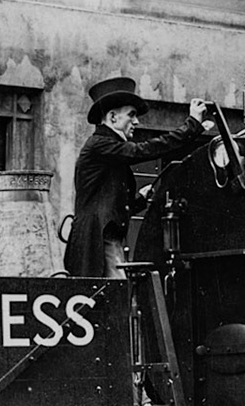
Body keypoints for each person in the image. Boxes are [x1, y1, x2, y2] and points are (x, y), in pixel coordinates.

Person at [64, 76, 210, 277]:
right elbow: (143, 150)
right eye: (131, 115)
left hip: (102, 241)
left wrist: (140, 200)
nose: (137, 121)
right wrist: (191, 125)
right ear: (113, 117)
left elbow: (108, 207)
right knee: (118, 297)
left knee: (116, 297)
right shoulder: (100, 144)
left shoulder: (108, 150)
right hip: (98, 242)